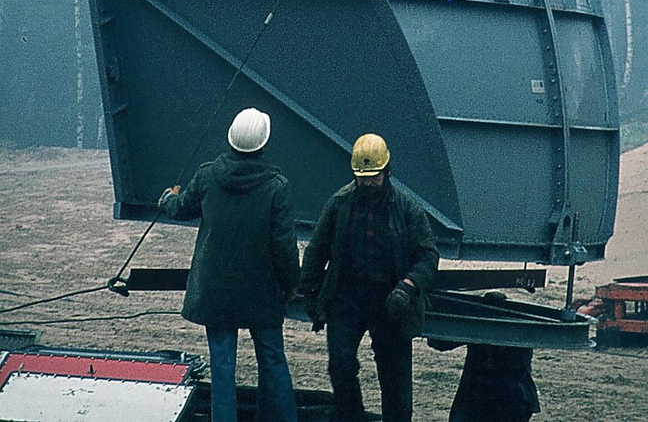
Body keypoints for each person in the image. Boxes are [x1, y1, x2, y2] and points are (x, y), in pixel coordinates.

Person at [158, 107, 300, 422]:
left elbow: (180, 208)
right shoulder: (277, 186)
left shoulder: (208, 175)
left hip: (216, 291)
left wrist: (167, 198)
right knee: (273, 360)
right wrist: (291, 285)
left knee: (222, 366)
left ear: (231, 140)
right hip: (262, 291)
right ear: (263, 144)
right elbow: (284, 246)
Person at [300, 133, 439, 422]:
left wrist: (408, 287)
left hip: (391, 301)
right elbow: (317, 249)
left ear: (387, 172)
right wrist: (310, 292)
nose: (368, 183)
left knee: (395, 375)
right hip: (347, 298)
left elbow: (428, 256)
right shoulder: (339, 204)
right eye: (362, 178)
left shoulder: (408, 208)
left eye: (374, 177)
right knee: (340, 364)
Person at [429, 294, 541, 422]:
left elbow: (437, 342)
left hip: (502, 395)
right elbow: (438, 342)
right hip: (489, 395)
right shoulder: (516, 325)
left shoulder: (513, 326)